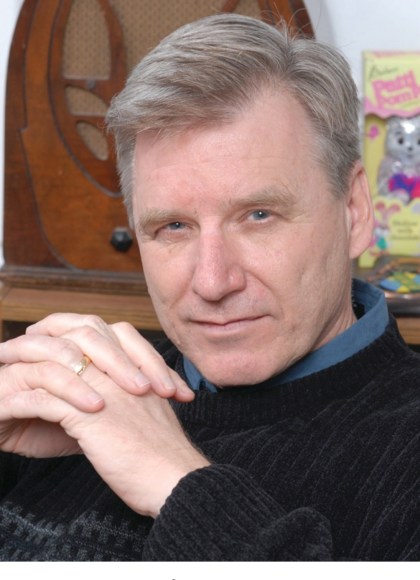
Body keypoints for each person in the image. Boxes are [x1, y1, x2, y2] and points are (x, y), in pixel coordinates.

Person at [0, 13, 419, 561]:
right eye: (173, 226)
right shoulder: (77, 396)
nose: (213, 282)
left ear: (355, 210)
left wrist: (179, 484)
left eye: (259, 215)